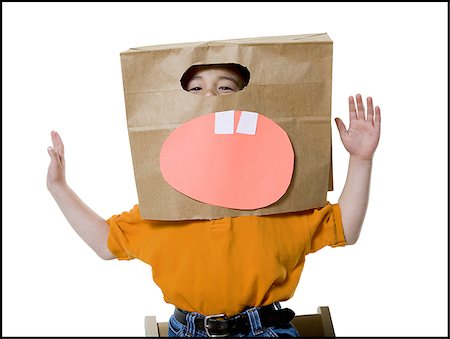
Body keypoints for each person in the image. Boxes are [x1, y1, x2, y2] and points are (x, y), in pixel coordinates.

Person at [47, 63, 381, 337]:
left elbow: (344, 228)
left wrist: (361, 161)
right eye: (195, 88)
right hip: (187, 331)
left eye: (225, 88)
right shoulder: (161, 213)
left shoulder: (281, 205)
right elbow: (106, 244)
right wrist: (59, 188)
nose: (209, 95)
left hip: (266, 330)